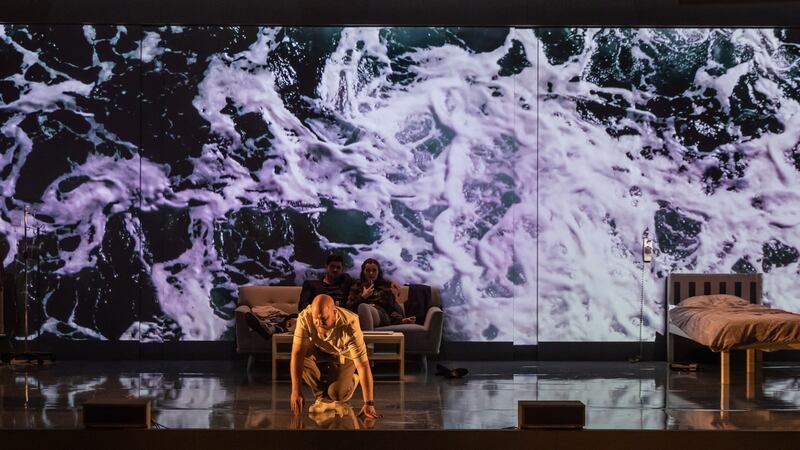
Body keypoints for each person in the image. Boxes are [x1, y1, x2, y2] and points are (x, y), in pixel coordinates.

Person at [290, 294, 381, 420]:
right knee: (301, 357)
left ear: (334, 313)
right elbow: (297, 354)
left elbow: (363, 366)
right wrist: (296, 391)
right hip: (320, 349)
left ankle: (351, 380)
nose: (318, 323)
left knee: (336, 394)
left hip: (344, 355)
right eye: (316, 319)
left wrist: (369, 403)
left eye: (324, 319)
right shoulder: (305, 317)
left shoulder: (350, 324)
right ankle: (323, 398)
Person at [346, 258, 415, 331]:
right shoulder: (356, 286)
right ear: (363, 272)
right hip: (360, 315)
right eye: (368, 270)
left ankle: (368, 338)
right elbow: (349, 307)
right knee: (362, 307)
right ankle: (369, 337)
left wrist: (400, 320)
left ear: (378, 272)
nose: (371, 273)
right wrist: (363, 297)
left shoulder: (384, 288)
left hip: (380, 315)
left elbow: (390, 309)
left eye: (374, 270)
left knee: (363, 307)